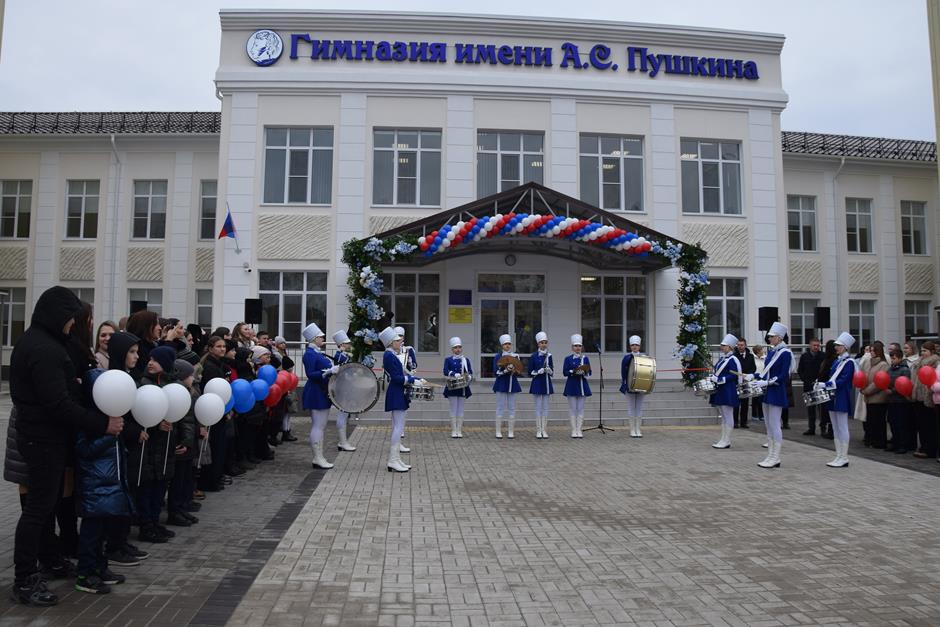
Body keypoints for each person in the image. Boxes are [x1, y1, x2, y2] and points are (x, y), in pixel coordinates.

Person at [10, 286, 122, 607]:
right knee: (38, 510)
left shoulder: (43, 342)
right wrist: (102, 423)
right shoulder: (43, 348)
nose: (75, 324)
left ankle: (47, 561)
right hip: (42, 439)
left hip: (45, 437)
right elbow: (57, 404)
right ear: (59, 315)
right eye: (72, 317)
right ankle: (25, 578)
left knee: (46, 507)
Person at [136, 346, 178, 542]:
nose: (150, 363)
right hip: (149, 445)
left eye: (156, 360)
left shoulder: (173, 385)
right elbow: (140, 413)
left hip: (166, 444)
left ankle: (154, 522)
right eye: (150, 359)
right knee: (147, 486)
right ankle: (146, 525)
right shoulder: (144, 383)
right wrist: (155, 424)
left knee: (160, 485)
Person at [747, 322, 791, 468]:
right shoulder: (771, 352)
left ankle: (775, 457)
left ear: (779, 338)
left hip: (777, 391)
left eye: (772, 336)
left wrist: (766, 382)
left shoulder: (786, 353)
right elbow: (766, 372)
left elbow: (784, 375)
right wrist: (754, 376)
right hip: (767, 391)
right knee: (768, 425)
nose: (769, 339)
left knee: (775, 424)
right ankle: (770, 455)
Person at [382, 327, 422, 472]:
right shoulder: (389, 356)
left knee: (399, 426)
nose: (400, 342)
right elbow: (396, 378)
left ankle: (397, 459)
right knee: (398, 427)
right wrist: (411, 380)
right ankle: (392, 460)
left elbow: (403, 372)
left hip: (398, 391)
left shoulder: (392, 355)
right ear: (391, 342)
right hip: (396, 391)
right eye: (397, 341)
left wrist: (417, 378)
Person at [166, 360, 199, 528]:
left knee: (185, 477)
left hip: (187, 439)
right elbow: (185, 421)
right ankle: (175, 510)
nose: (193, 379)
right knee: (178, 479)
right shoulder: (179, 392)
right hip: (181, 441)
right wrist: (184, 441)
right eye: (191, 375)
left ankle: (180, 508)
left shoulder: (188, 391)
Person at [817, 332, 856, 468]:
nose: (836, 347)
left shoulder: (849, 362)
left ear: (845, 347)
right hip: (833, 395)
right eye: (836, 345)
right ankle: (838, 455)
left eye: (839, 345)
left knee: (842, 426)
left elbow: (843, 380)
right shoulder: (836, 361)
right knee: (835, 426)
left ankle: (844, 457)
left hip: (841, 396)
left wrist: (826, 384)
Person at [302, 323, 338, 470]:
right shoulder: (309, 354)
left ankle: (319, 456)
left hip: (321, 390)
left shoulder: (316, 352)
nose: (323, 338)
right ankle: (317, 457)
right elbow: (310, 374)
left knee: (321, 426)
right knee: (318, 426)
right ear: (313, 338)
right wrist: (329, 371)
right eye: (320, 337)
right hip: (315, 391)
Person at [708, 334, 741, 449]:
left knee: (728, 415)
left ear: (730, 347)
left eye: (724, 345)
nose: (721, 347)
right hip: (721, 389)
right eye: (722, 345)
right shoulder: (723, 359)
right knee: (723, 416)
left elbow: (735, 375)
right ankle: (723, 439)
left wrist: (720, 379)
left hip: (728, 390)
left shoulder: (733, 359)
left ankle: (726, 440)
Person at [911, 341, 939, 459]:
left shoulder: (935, 362)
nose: (923, 353)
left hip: (928, 397)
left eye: (925, 351)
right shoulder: (918, 363)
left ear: (931, 351)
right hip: (918, 397)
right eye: (921, 350)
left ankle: (930, 449)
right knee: (921, 425)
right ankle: (923, 447)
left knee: (929, 425)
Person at [492, 334, 522, 439]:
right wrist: (505, 370)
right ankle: (498, 431)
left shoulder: (515, 356)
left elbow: (519, 371)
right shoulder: (497, 356)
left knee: (512, 407)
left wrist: (514, 370)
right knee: (500, 407)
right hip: (501, 383)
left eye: (509, 344)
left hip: (512, 383)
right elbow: (495, 371)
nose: (507, 346)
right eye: (505, 344)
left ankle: (511, 431)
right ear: (502, 345)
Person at [861, 342, 890, 449]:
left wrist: (867, 391)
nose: (872, 352)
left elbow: (878, 382)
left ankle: (880, 441)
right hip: (869, 398)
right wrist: (862, 387)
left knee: (879, 421)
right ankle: (872, 440)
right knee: (871, 421)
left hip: (879, 397)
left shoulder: (883, 365)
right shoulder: (870, 363)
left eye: (874, 350)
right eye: (871, 350)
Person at [443, 337, 473, 439]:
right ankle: (453, 430)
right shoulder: (448, 360)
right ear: (452, 349)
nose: (458, 349)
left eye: (459, 347)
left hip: (463, 387)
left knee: (460, 409)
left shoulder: (466, 360)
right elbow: (445, 371)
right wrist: (453, 373)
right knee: (453, 408)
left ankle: (459, 430)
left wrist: (469, 376)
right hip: (452, 386)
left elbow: (470, 371)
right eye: (455, 347)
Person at [331, 330, 356, 452]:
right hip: (342, 387)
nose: (349, 345)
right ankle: (342, 442)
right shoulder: (339, 355)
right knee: (342, 414)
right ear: (341, 345)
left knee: (345, 414)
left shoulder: (344, 355)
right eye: (347, 343)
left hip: (346, 386)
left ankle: (343, 441)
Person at [563, 334, 591, 439]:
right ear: (572, 347)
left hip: (582, 385)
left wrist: (584, 372)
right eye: (575, 346)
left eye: (579, 346)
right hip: (572, 385)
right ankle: (573, 429)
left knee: (580, 408)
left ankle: (579, 429)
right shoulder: (568, 359)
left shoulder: (585, 358)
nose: (577, 348)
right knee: (572, 408)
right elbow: (565, 372)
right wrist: (573, 372)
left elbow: (589, 371)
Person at [886, 348, 912, 454]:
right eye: (891, 358)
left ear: (900, 358)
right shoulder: (890, 369)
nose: (892, 360)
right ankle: (895, 442)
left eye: (894, 358)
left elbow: (904, 384)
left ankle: (902, 444)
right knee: (892, 422)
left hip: (901, 401)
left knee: (900, 423)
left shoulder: (904, 370)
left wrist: (892, 390)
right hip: (891, 400)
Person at [528, 332, 554, 439]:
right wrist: (538, 371)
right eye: (541, 342)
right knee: (538, 407)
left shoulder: (549, 356)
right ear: (538, 344)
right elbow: (529, 372)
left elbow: (552, 372)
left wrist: (549, 370)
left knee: (546, 407)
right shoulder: (534, 356)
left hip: (546, 383)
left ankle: (544, 430)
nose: (544, 344)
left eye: (545, 342)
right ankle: (538, 430)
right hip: (537, 383)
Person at [619, 335, 646, 437]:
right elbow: (623, 373)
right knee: (631, 407)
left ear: (639, 346)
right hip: (629, 385)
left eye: (637, 345)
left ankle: (638, 429)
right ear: (630, 346)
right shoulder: (626, 358)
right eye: (633, 345)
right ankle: (632, 430)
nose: (635, 346)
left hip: (641, 385)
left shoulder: (644, 358)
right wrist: (625, 384)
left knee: (639, 407)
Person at [798, 338, 825, 435]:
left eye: (818, 345)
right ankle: (811, 428)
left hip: (819, 385)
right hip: (808, 385)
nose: (816, 347)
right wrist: (805, 379)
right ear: (810, 345)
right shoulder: (805, 356)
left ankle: (823, 428)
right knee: (810, 408)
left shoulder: (823, 356)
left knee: (821, 409)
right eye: (814, 345)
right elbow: (800, 370)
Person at [733, 339, 756, 429]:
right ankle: (735, 422)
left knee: (745, 403)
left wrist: (748, 375)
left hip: (746, 381)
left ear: (745, 345)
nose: (740, 347)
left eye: (742, 345)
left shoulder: (750, 356)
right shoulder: (734, 356)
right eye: (738, 345)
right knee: (736, 402)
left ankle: (744, 422)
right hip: (737, 381)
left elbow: (753, 367)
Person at [751, 345, 765, 422]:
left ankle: (761, 415)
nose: (763, 351)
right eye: (762, 350)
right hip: (755, 379)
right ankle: (754, 414)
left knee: (761, 398)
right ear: (758, 351)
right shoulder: (753, 358)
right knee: (755, 398)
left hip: (762, 380)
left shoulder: (765, 358)